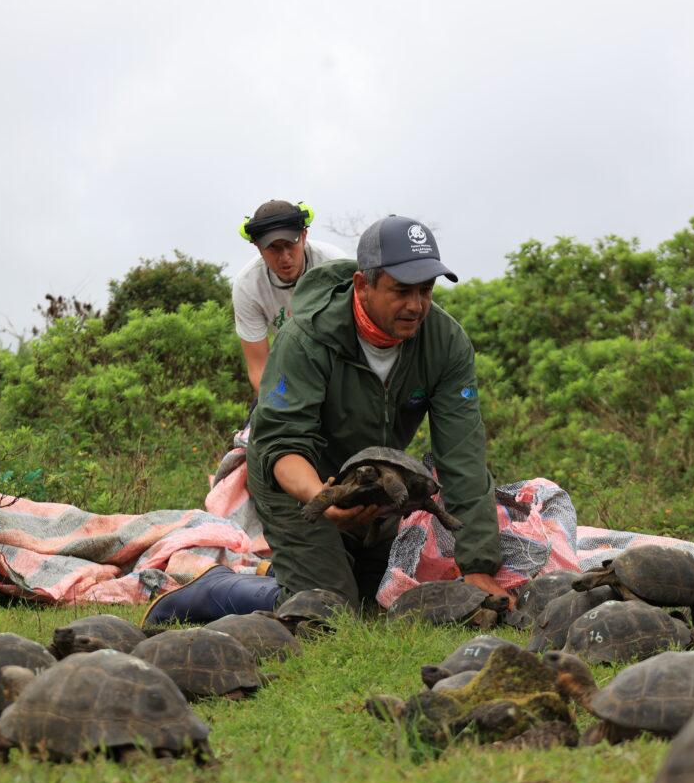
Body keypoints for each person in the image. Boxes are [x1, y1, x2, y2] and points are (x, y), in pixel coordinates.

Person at [145, 215, 507, 624]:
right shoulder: (306, 337)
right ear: (362, 286)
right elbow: (283, 444)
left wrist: (478, 567)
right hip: (295, 481)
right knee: (328, 609)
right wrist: (323, 498)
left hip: (369, 482)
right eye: (402, 290)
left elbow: (462, 456)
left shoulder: (446, 342)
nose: (416, 305)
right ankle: (214, 588)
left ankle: (296, 568)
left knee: (377, 598)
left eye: (426, 290)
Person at [231, 199, 349, 395]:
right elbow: (259, 368)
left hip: (343, 366)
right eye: (273, 247)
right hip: (292, 373)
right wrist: (279, 403)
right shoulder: (247, 286)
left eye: (290, 244)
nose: (284, 257)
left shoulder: (336, 266)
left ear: (304, 236)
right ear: (258, 247)